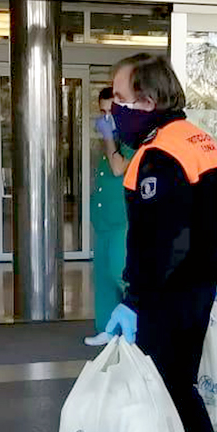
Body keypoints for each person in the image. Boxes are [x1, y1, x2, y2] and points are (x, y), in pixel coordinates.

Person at [105, 53, 217, 432]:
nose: (114, 109)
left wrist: (135, 299)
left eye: (120, 98)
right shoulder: (198, 140)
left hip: (167, 295)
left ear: (147, 99)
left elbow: (160, 240)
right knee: (172, 392)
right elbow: (215, 224)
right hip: (195, 288)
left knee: (165, 397)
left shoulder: (161, 154)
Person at [86, 87, 133, 347]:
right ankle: (107, 328)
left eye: (111, 112)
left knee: (120, 271)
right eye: (102, 112)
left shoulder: (133, 142)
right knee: (103, 276)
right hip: (104, 221)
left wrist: (108, 138)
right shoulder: (111, 143)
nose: (106, 118)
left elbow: (118, 169)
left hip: (124, 220)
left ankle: (134, 325)